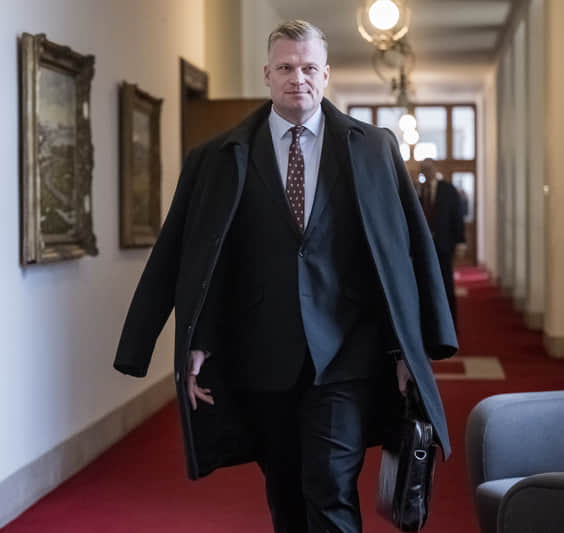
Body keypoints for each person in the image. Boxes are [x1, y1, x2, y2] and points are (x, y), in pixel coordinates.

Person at [114, 20, 456, 533]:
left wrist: (411, 349)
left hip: (345, 354)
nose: (299, 78)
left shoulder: (371, 148)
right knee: (285, 491)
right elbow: (193, 255)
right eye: (286, 68)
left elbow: (407, 250)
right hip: (262, 356)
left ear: (326, 75)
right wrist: (194, 340)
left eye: (309, 68)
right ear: (267, 75)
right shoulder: (219, 157)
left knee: (331, 486)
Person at [417, 158, 465, 328]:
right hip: (422, 248)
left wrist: (460, 241)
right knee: (424, 285)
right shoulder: (417, 189)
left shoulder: (448, 190)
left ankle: (449, 325)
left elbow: (457, 216)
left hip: (443, 244)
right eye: (423, 169)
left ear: (435, 169)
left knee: (446, 284)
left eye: (429, 168)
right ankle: (429, 324)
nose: (426, 172)